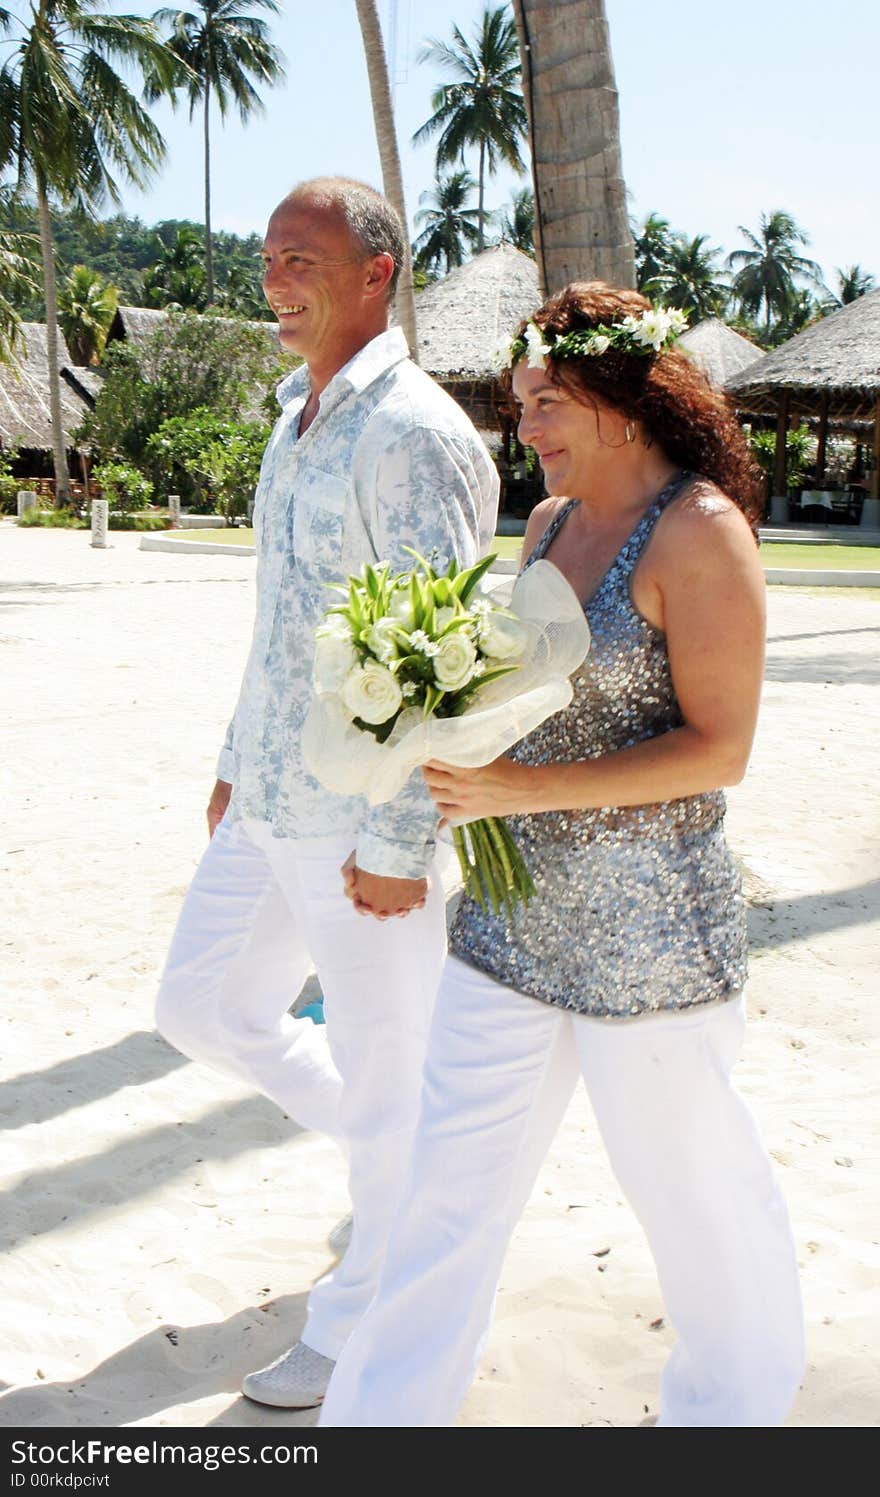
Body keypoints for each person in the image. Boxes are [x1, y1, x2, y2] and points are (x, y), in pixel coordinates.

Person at [319, 283, 805, 1428]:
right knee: (445, 1198)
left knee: (693, 1205)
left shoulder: (700, 533)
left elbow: (719, 749)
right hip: (505, 923)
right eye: (521, 404)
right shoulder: (541, 527)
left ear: (622, 403)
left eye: (547, 404)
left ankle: (728, 1420)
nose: (524, 428)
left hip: (648, 943)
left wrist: (522, 787)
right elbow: (510, 704)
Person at [154, 177, 499, 1409]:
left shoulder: (414, 430)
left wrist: (405, 835)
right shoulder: (294, 411)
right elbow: (279, 613)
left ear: (377, 274)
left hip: (368, 823)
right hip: (272, 797)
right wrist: (235, 759)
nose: (276, 281)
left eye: (302, 258)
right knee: (198, 1004)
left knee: (392, 1070)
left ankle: (362, 1320)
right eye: (267, 259)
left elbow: (440, 646)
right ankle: (392, 1158)